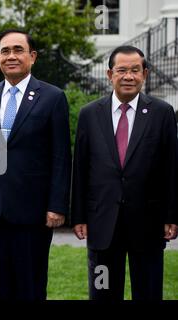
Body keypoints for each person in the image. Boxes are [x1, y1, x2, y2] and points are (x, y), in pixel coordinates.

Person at [0, 29, 72, 300]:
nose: (11, 56)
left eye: (18, 50)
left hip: (33, 213)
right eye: (5, 51)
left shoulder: (53, 97)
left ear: (32, 57)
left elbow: (61, 156)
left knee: (30, 287)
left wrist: (57, 205)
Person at [71, 45, 178, 300]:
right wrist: (79, 216)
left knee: (148, 292)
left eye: (135, 70)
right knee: (103, 291)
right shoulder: (89, 114)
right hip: (102, 223)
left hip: (148, 223)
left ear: (145, 74)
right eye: (121, 70)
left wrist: (171, 215)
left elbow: (171, 168)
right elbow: (81, 168)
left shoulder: (162, 113)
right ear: (110, 75)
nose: (128, 76)